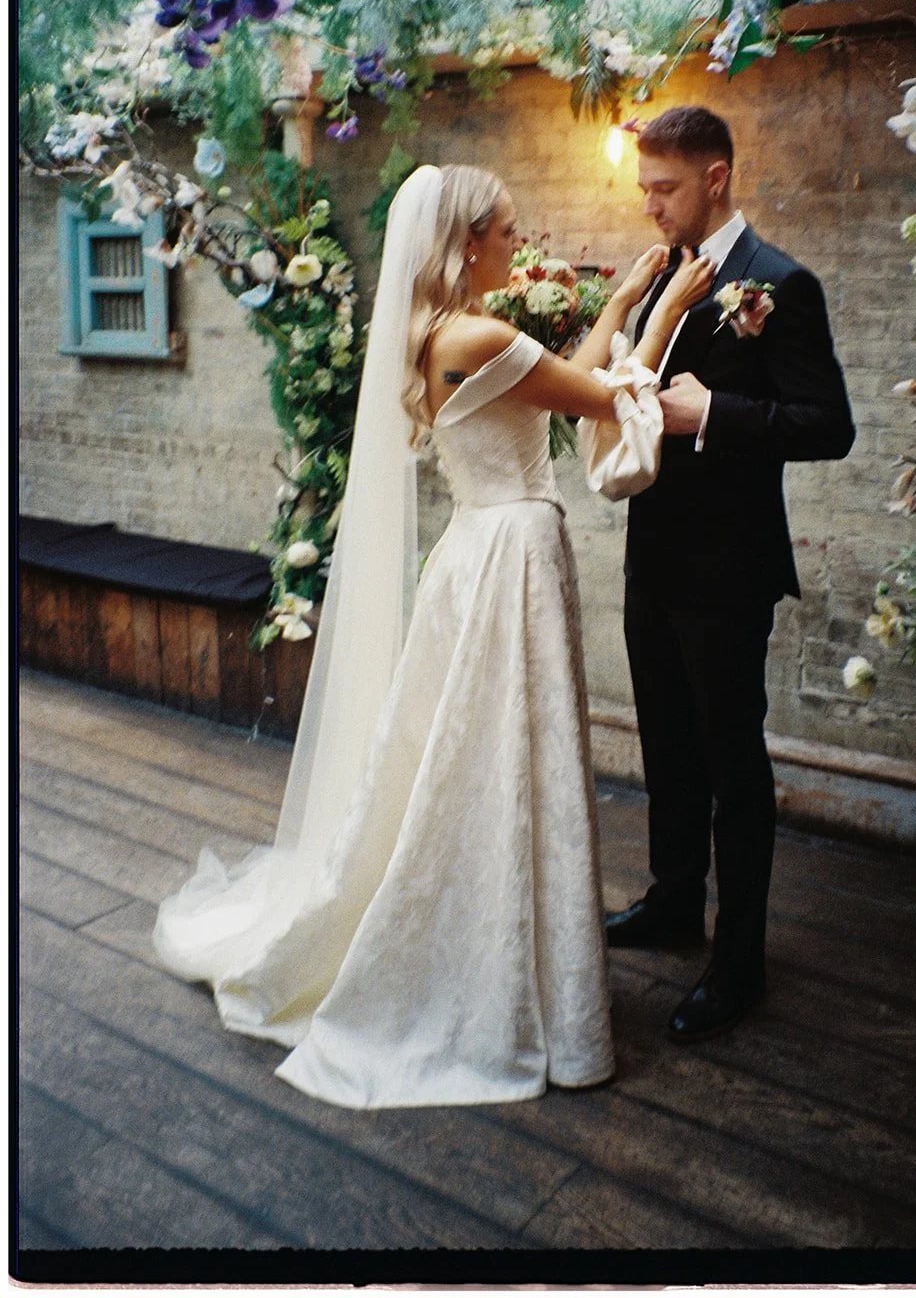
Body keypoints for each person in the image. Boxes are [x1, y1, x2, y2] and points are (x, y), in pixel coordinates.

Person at [154, 163, 712, 1110]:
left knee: (469, 749)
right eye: (503, 229)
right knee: (505, 748)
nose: (515, 242)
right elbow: (606, 398)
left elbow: (560, 376)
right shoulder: (487, 333)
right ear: (464, 244)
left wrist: (618, 299)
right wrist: (661, 312)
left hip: (471, 552)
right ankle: (496, 969)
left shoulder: (435, 337)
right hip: (514, 559)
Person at [606, 106, 856, 1042]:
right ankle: (673, 901)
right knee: (665, 747)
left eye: (664, 189)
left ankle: (738, 961)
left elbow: (828, 426)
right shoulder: (658, 278)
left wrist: (714, 414)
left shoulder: (780, 284)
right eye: (643, 190)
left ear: (716, 179)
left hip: (730, 571)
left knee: (731, 764)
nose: (651, 207)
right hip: (652, 559)